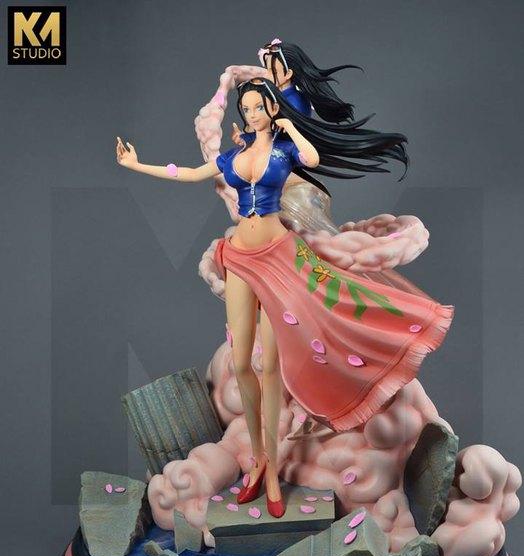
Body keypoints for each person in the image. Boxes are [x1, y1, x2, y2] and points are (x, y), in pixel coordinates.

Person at [117, 78, 453, 519]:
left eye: (259, 107)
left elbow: (312, 159)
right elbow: (192, 173)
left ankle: (272, 470)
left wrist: (290, 127)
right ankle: (258, 460)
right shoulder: (234, 157)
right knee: (242, 363)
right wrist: (137, 164)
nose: (252, 114)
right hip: (240, 257)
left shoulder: (285, 151)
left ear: (272, 109)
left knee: (272, 366)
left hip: (278, 256)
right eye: (247, 108)